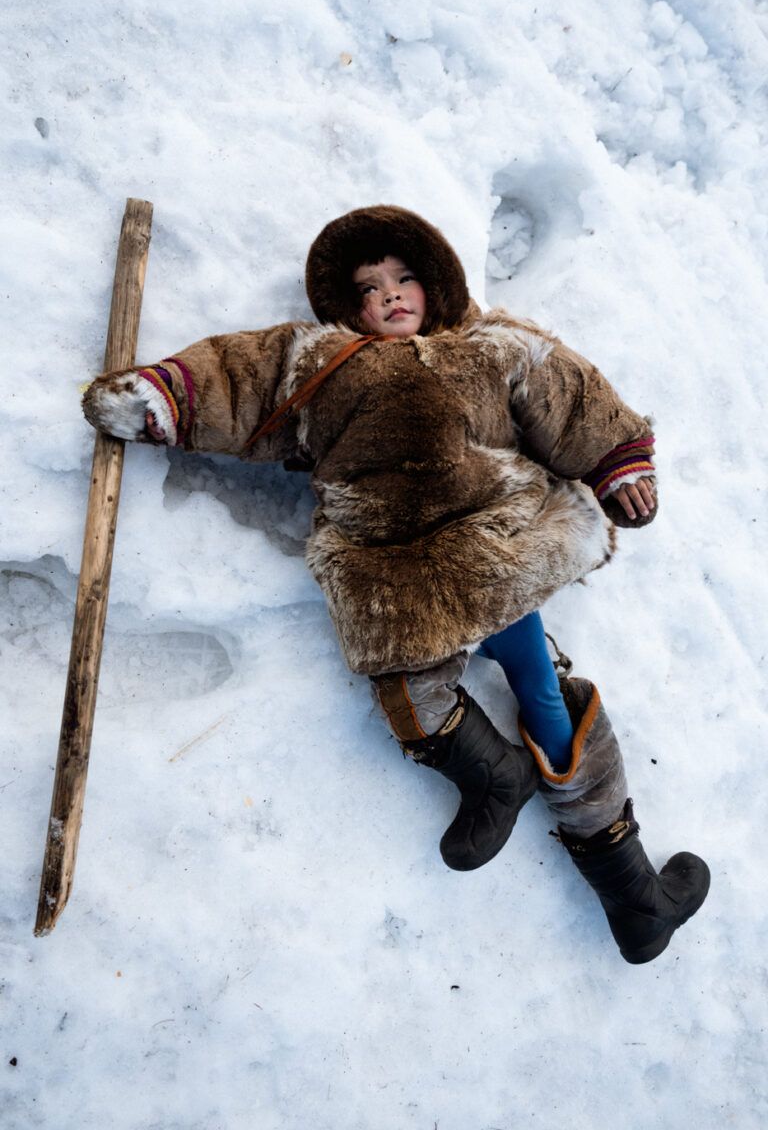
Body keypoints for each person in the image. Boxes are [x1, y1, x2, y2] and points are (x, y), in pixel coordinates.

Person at [82, 205, 709, 963]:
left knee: (543, 692)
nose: (391, 293)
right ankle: (494, 779)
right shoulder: (321, 364)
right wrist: (162, 398)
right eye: (371, 287)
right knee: (410, 692)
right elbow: (242, 380)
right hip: (391, 572)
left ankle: (631, 887)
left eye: (405, 277)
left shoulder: (488, 349)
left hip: (495, 544)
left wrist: (620, 465)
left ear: (434, 286)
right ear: (351, 309)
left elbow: (567, 395)